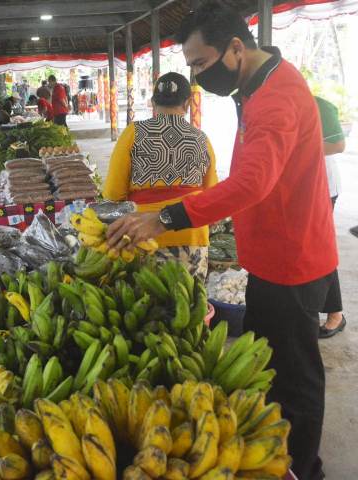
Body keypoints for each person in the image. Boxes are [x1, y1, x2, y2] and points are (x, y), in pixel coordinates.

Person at [106, 3, 337, 479]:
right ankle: (276, 452)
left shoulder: (274, 98)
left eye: (200, 64)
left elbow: (252, 183)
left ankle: (303, 469)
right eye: (191, 67)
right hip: (271, 254)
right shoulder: (258, 85)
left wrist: (166, 217)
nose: (196, 77)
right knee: (269, 369)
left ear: (236, 47)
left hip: (291, 259)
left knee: (296, 379)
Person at [103, 72, 217, 281]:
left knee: (147, 307)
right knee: (189, 304)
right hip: (192, 234)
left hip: (142, 234)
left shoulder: (133, 133)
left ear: (153, 102)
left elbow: (112, 193)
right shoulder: (202, 139)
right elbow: (212, 195)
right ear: (188, 103)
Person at [315, 96, 346, 338]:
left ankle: (335, 314)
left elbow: (338, 145)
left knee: (319, 248)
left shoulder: (319, 104)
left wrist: (295, 148)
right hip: (300, 187)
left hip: (323, 187)